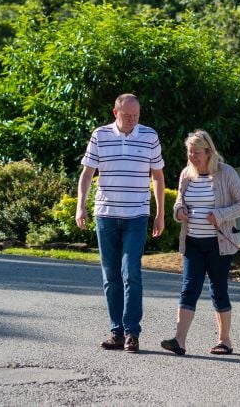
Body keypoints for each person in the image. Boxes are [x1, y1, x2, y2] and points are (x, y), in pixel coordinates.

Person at [76, 93, 165, 354]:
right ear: (116, 113)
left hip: (137, 215)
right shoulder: (100, 135)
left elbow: (158, 176)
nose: (132, 120)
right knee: (110, 276)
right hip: (106, 215)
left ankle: (132, 333)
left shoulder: (149, 136)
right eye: (127, 116)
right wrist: (80, 205)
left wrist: (160, 213)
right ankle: (116, 331)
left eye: (136, 115)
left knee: (131, 271)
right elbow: (87, 173)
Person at [160, 129, 240, 356]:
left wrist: (219, 215)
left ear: (209, 152)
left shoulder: (226, 173)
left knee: (218, 289)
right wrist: (179, 212)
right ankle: (179, 341)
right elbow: (179, 203)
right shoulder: (186, 175)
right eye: (190, 152)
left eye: (197, 152)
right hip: (192, 241)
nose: (192, 156)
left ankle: (225, 341)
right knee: (189, 288)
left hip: (219, 243)